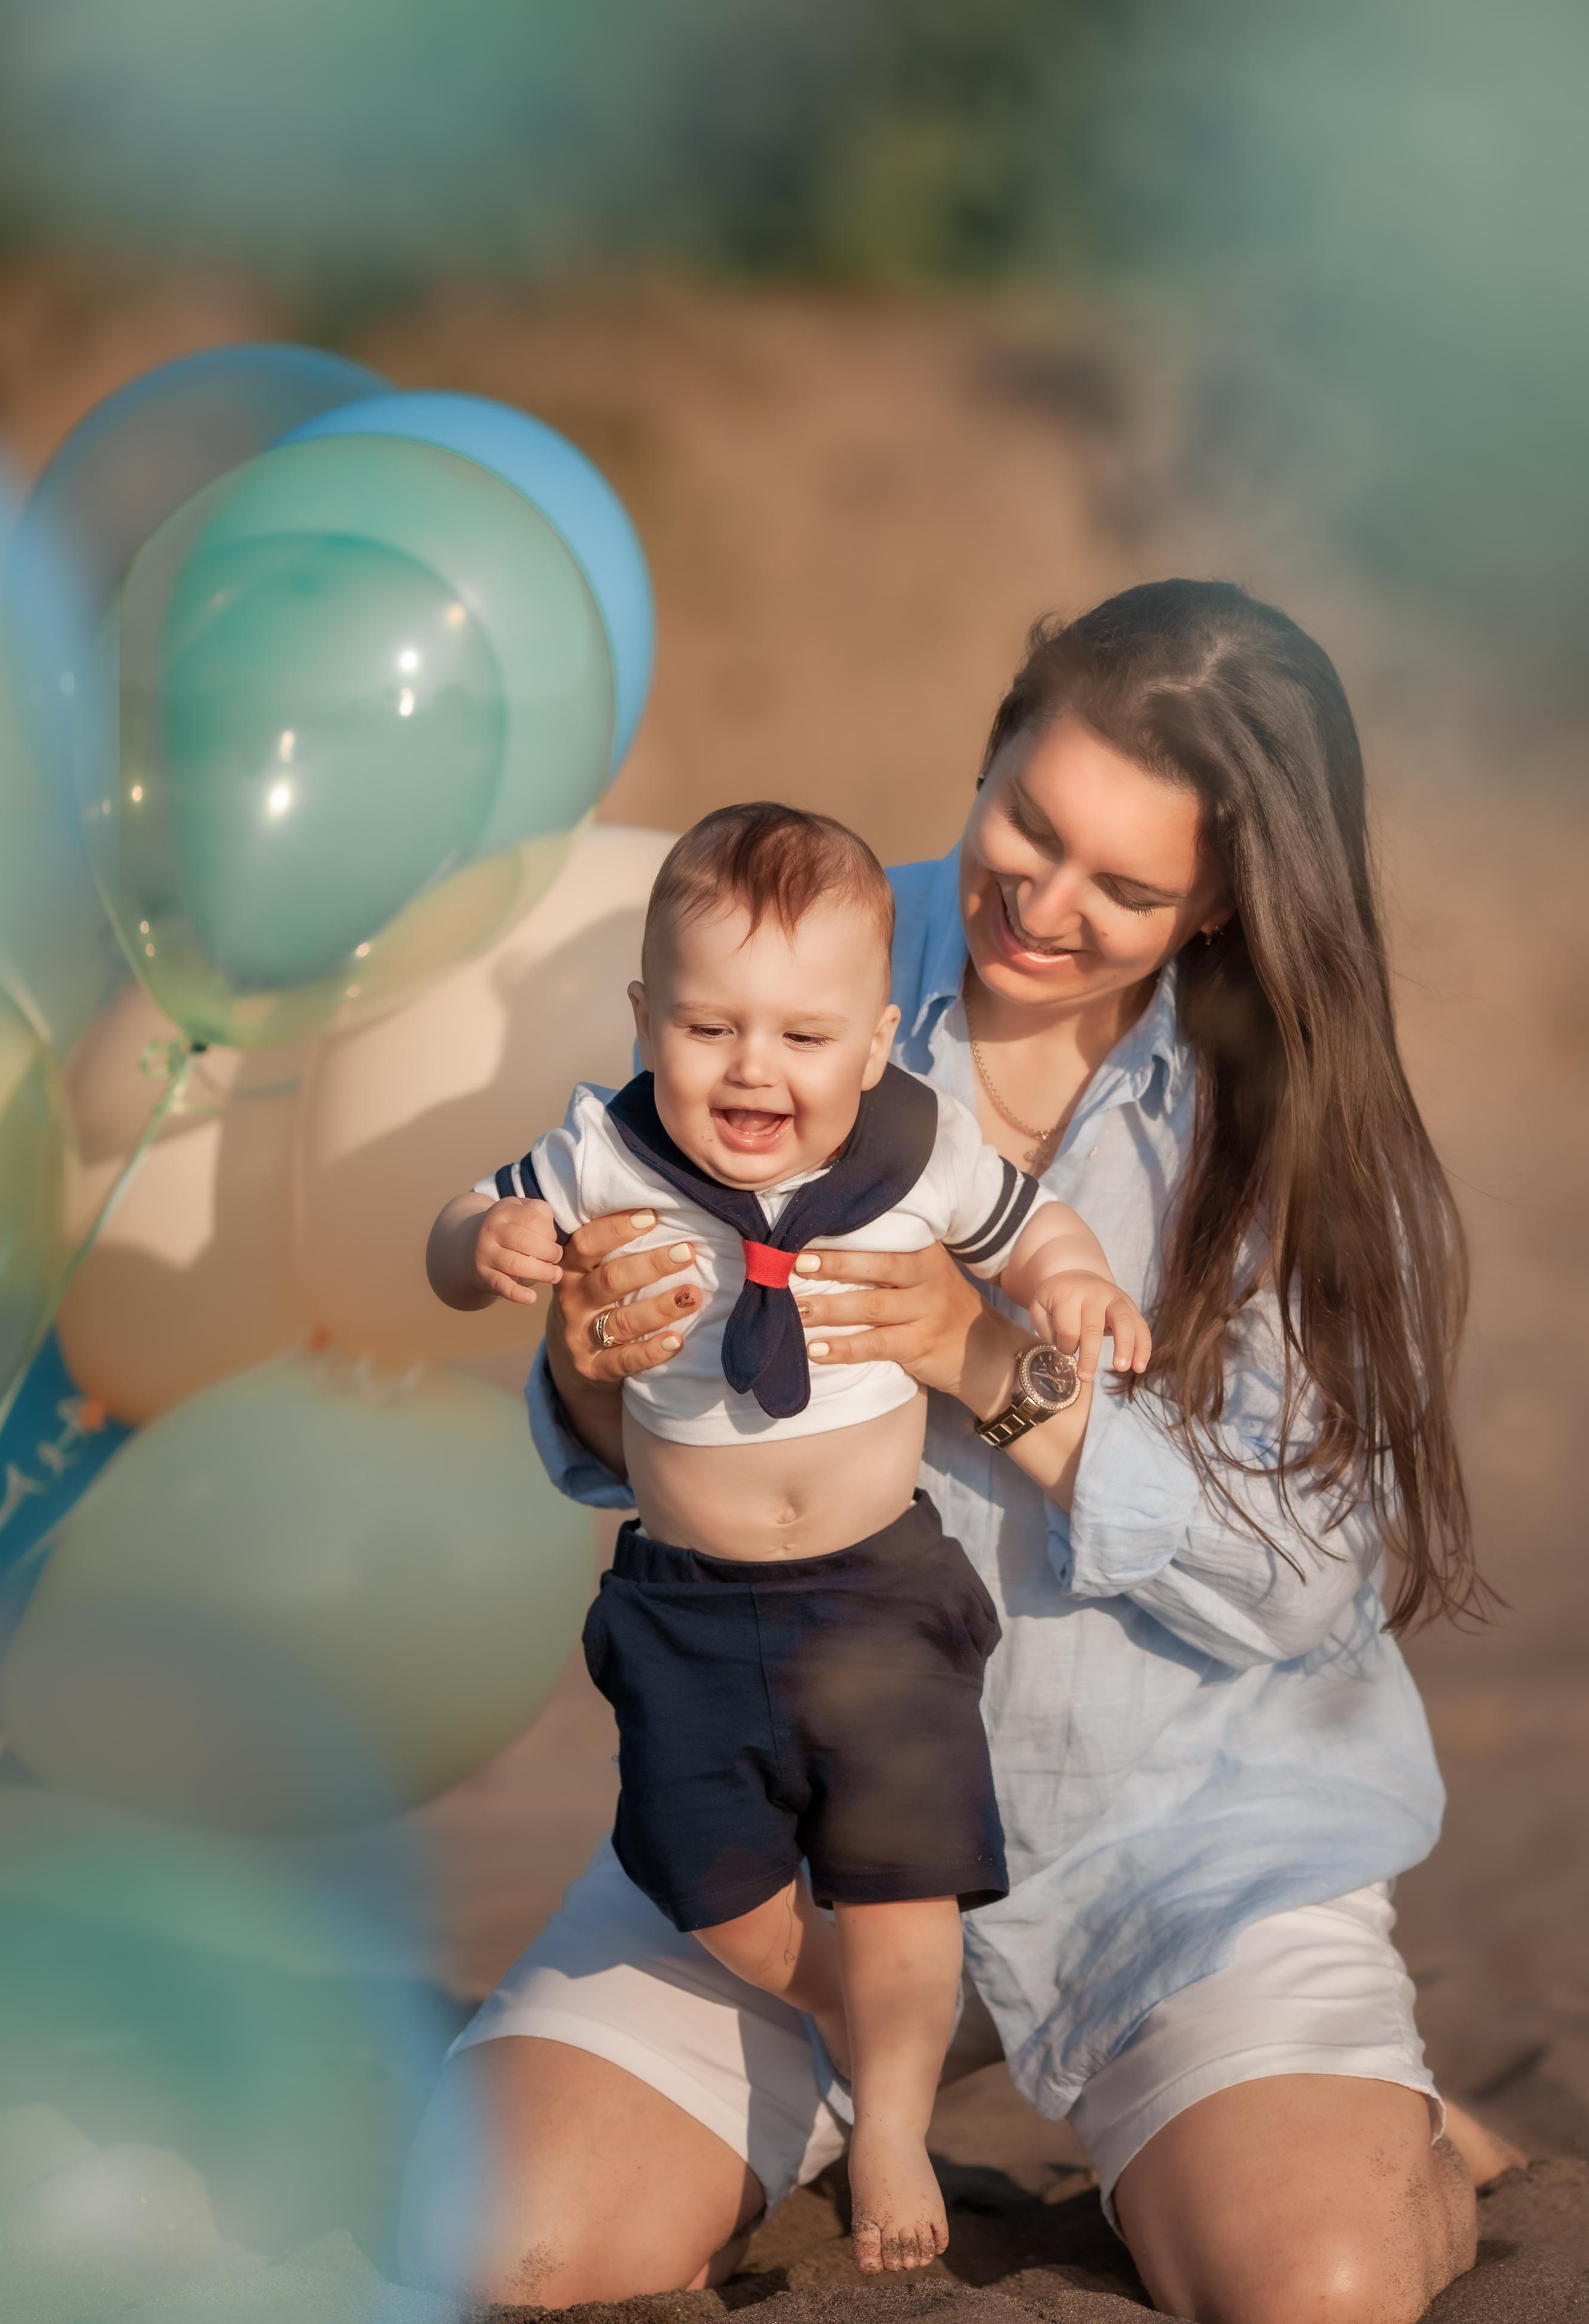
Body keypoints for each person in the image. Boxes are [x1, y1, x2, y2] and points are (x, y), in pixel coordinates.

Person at [402, 580, 1517, 2324]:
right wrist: (594, 1358)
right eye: (1028, 823)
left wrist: (981, 1361)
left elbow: (1310, 1593)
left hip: (1170, 1850)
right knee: (514, 2243)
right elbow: (623, 1440)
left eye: (1129, 889)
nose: (1045, 905)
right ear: (993, 743)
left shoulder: (1300, 1124)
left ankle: (1377, 2130)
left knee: (1321, 2285)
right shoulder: (779, 958)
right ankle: (845, 2083)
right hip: (797, 1816)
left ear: (1224, 899)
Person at [425, 802, 1150, 2273]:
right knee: (718, 1899)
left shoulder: (914, 1152)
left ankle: (886, 2117)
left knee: (900, 1875)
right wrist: (479, 1245)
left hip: (876, 1596)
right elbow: (460, 1229)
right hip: (689, 1611)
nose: (753, 1068)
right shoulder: (605, 1153)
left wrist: (1072, 1293)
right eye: (708, 1027)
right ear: (645, 1020)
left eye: (803, 1038)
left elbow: (1031, 1228)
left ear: (877, 1039)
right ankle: (837, 2006)